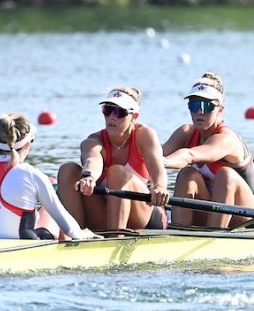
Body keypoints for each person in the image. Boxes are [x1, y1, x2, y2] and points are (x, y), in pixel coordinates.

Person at [0, 113, 97, 240]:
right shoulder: (33, 175)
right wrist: (83, 234)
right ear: (27, 144)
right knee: (52, 200)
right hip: (28, 242)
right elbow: (67, 226)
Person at [57, 87, 170, 232]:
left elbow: (157, 166)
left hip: (144, 216)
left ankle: (116, 237)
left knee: (117, 172)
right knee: (68, 170)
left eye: (119, 112)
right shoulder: (93, 140)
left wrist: (160, 187)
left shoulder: (144, 135)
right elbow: (93, 159)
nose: (112, 117)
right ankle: (74, 236)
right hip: (104, 213)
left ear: (134, 116)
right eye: (108, 110)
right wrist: (88, 176)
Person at [161, 72, 254, 228]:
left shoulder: (227, 139)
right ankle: (179, 232)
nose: (200, 112)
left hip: (247, 216)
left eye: (207, 106)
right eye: (194, 106)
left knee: (226, 175)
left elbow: (189, 155)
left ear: (220, 109)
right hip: (212, 206)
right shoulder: (186, 132)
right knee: (187, 174)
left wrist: (162, 162)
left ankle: (216, 234)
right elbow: (154, 154)